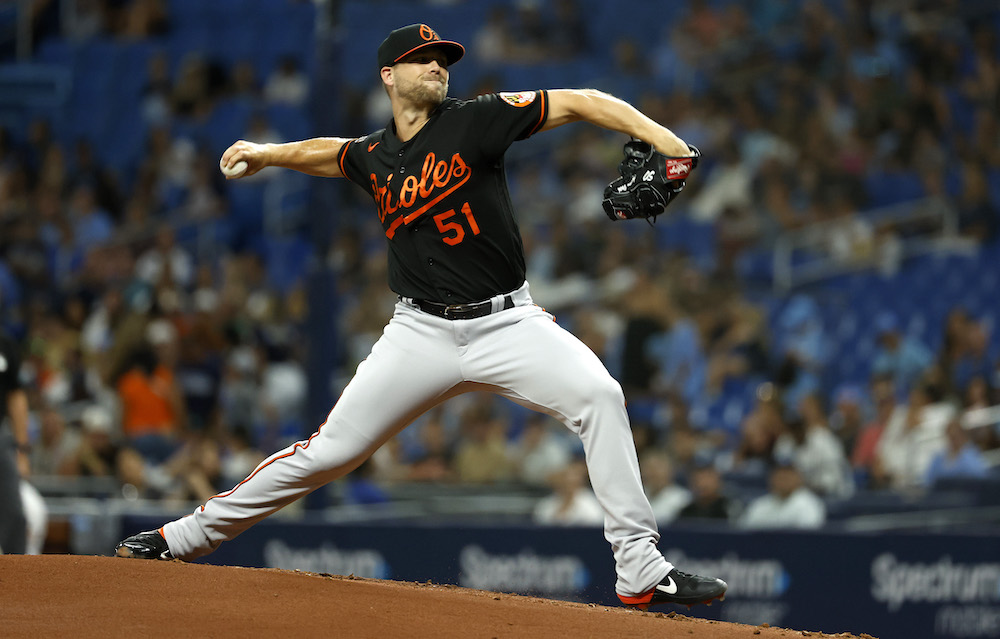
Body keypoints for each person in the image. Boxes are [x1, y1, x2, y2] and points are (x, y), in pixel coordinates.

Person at [116, 23, 727, 609]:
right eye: (423, 58)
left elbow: (580, 100)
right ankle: (182, 539)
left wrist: (670, 143)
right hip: (419, 332)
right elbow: (332, 153)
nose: (438, 66)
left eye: (444, 59)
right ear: (389, 75)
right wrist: (269, 153)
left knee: (600, 395)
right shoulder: (377, 154)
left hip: (507, 323)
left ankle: (641, 571)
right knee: (329, 453)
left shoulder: (475, 120)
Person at [0, 329, 30, 554]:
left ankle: (13, 575)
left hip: (1, 436)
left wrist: (21, 450)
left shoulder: (5, 343)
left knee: (15, 514)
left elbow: (16, 395)